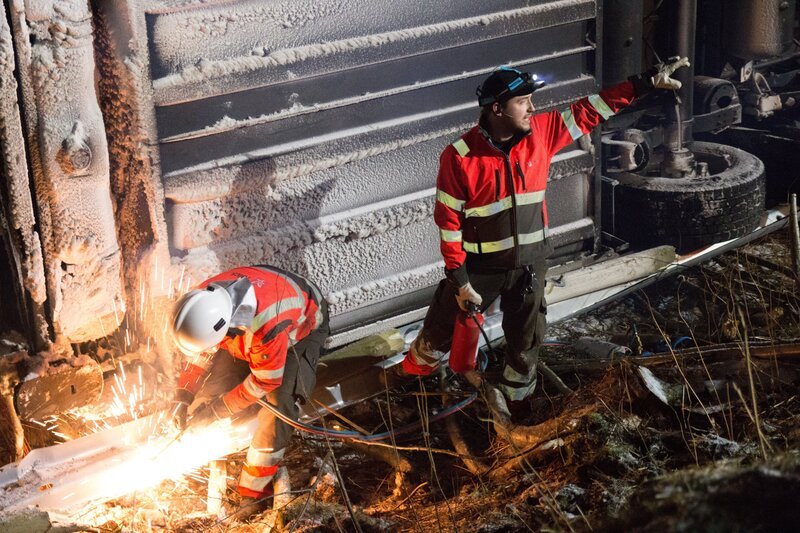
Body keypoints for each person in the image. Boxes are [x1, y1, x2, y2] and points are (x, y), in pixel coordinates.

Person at [399, 59, 689, 402]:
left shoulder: (542, 133)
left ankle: (517, 400)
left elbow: (590, 110)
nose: (531, 108)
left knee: (526, 338)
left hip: (530, 266)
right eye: (522, 102)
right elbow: (448, 224)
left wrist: (642, 84)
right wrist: (460, 281)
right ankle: (409, 384)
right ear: (497, 109)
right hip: (481, 268)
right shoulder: (460, 156)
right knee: (441, 329)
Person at [169, 265, 328, 521]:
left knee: (278, 409)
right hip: (257, 317)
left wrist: (217, 410)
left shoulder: (269, 325)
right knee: (217, 386)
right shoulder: (203, 301)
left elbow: (263, 383)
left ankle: (253, 493)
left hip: (299, 328)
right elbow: (202, 352)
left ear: (226, 327)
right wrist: (183, 395)